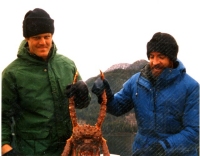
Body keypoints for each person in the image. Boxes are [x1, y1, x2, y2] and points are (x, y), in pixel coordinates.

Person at [92, 32, 199, 156]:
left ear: (172, 58)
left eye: (161, 56)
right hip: (142, 152)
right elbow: (117, 107)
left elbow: (194, 132)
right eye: (152, 56)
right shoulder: (136, 82)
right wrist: (106, 95)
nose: (155, 62)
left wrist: (163, 147)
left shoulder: (191, 87)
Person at [1, 8, 91, 156]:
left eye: (47, 36)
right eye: (37, 37)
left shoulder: (68, 65)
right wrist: (5, 148)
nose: (43, 42)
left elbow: (82, 104)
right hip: (31, 151)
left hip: (69, 150)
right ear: (27, 39)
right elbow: (3, 115)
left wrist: (83, 92)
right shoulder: (12, 73)